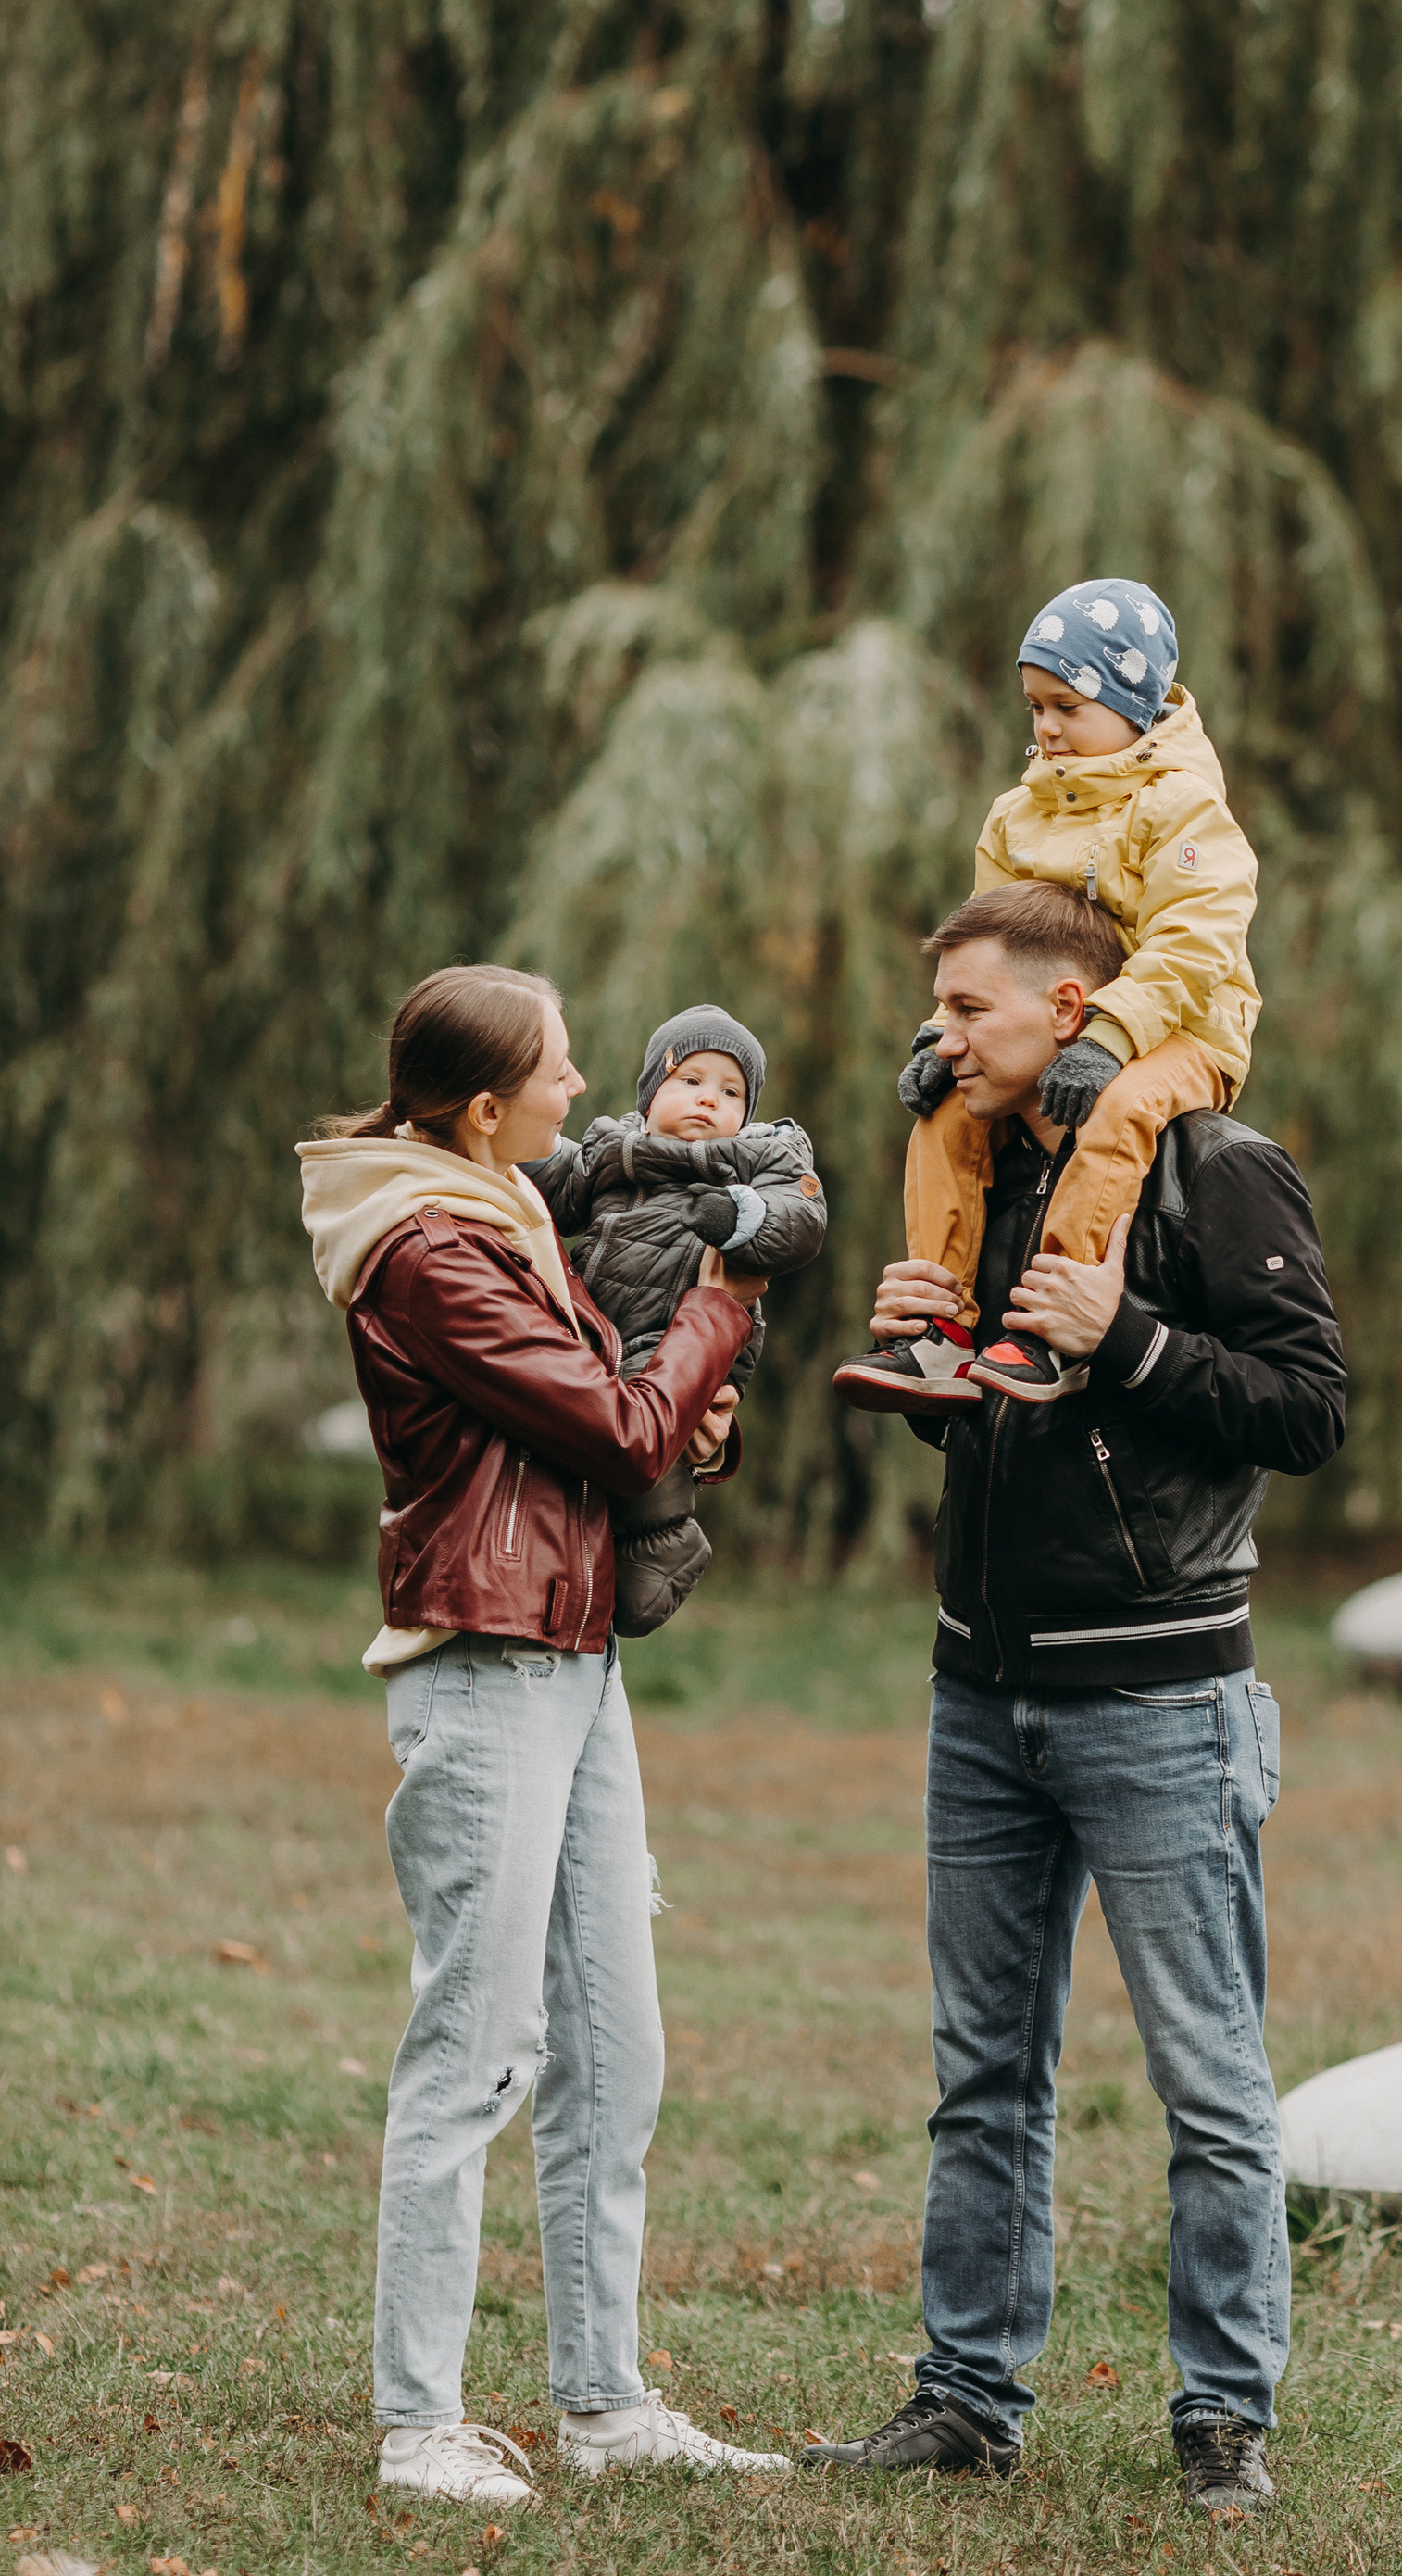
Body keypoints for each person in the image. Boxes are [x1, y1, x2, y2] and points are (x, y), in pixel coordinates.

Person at [802, 885, 1346, 2518]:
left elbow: (1307, 1409)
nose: (941, 1037)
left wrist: (1128, 1341)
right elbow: (1009, 1426)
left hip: (1162, 1701)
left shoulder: (1216, 1166)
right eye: (942, 1010)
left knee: (1211, 2081)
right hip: (982, 1692)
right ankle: (967, 2399)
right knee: (983, 2072)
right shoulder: (986, 1169)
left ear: (1071, 1001)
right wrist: (931, 1360)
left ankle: (1223, 2423)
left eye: (970, 1009)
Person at [295, 962, 793, 2511]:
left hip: (574, 1654)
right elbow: (617, 1424)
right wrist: (729, 1297)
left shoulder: (501, 1212)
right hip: (487, 1661)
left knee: (612, 2046)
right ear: (482, 1104)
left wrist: (693, 1389)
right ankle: (417, 2422)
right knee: (477, 2045)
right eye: (562, 1070)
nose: (589, 1090)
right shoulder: (431, 1248)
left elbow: (628, 1413)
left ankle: (604, 2401)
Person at [832, 577, 1260, 1409]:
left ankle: (1047, 1324)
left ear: (1134, 703)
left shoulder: (1181, 808)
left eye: (1068, 705)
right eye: (1035, 708)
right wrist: (942, 1037)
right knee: (947, 1114)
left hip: (1180, 1031)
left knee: (1119, 1111)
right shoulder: (1016, 816)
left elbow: (1193, 942)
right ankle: (941, 1330)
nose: (1048, 728)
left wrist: (1109, 1037)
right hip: (1058, 1026)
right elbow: (985, 950)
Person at [526, 1002, 827, 1631]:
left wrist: (739, 1218)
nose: (707, 1101)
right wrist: (519, 1158)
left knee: (651, 1437)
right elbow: (557, 1192)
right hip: (604, 1330)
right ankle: (618, 1553)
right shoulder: (615, 1149)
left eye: (729, 1091)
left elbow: (801, 1220)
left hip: (682, 1326)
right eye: (689, 1081)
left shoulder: (758, 1156)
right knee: (605, 1434)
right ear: (651, 1090)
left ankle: (665, 1544)